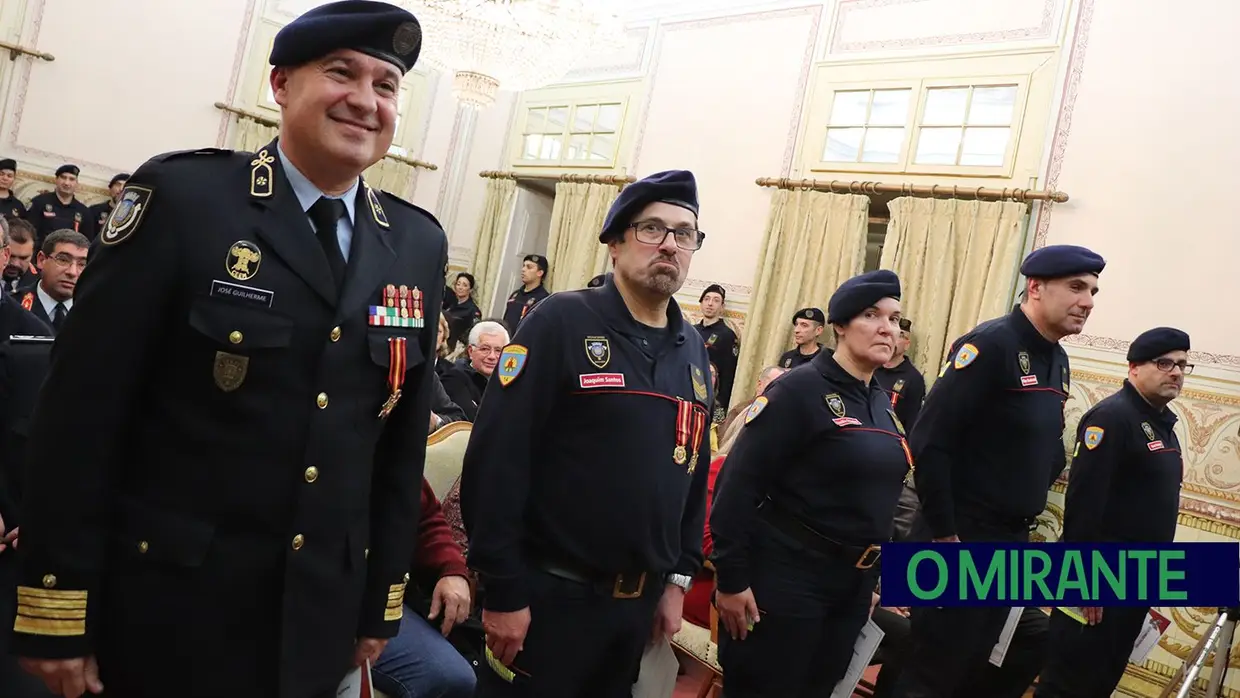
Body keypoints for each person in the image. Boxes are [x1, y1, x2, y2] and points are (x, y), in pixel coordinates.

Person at [11, 3, 447, 698]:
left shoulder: (418, 243)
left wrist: (380, 604)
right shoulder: (187, 201)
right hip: (171, 611)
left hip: (319, 619)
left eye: (387, 85)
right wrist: (56, 605)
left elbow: (395, 452)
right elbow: (80, 417)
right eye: (342, 73)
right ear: (280, 85)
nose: (366, 101)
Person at [460, 170, 713, 698]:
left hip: (635, 612)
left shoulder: (692, 347)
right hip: (549, 597)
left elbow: (690, 474)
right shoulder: (561, 321)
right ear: (615, 244)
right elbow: (496, 462)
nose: (670, 244)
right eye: (652, 229)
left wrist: (677, 580)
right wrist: (504, 590)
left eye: (685, 233)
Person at [892, 244, 1105, 698]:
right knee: (933, 673)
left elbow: (1044, 449)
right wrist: (946, 534)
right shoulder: (989, 345)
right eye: (1076, 287)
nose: (1088, 300)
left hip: (1009, 540)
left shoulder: (1057, 358)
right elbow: (929, 442)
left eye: (1092, 290)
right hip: (958, 537)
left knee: (971, 669)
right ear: (1035, 287)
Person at [709, 270, 912, 697]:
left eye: (894, 319)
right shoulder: (797, 390)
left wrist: (872, 580)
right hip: (787, 580)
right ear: (839, 326)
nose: (886, 328)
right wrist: (731, 579)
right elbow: (737, 487)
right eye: (872, 316)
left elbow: (881, 499)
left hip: (850, 589)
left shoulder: (880, 403)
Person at [1035, 327, 1191, 698]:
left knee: (1099, 683)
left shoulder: (1161, 423)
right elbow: (1084, 506)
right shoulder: (1111, 418)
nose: (1176, 372)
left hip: (1135, 579)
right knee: (1068, 683)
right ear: (1134, 367)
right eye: (1165, 362)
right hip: (1098, 581)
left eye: (1183, 364)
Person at [694, 283, 739, 422]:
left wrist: (720, 406)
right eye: (706, 299)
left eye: (716, 300)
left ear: (722, 307)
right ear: (701, 303)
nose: (710, 304)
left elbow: (728, 373)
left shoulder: (727, 335)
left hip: (710, 395)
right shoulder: (690, 330)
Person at [875, 317, 925, 430]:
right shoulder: (871, 366)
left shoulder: (913, 379)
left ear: (907, 344)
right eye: (891, 333)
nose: (893, 339)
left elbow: (912, 424)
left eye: (900, 335)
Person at [501, 254, 549, 332]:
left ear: (540, 273)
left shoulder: (543, 299)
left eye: (529, 267)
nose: (523, 269)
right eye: (523, 266)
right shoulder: (515, 295)